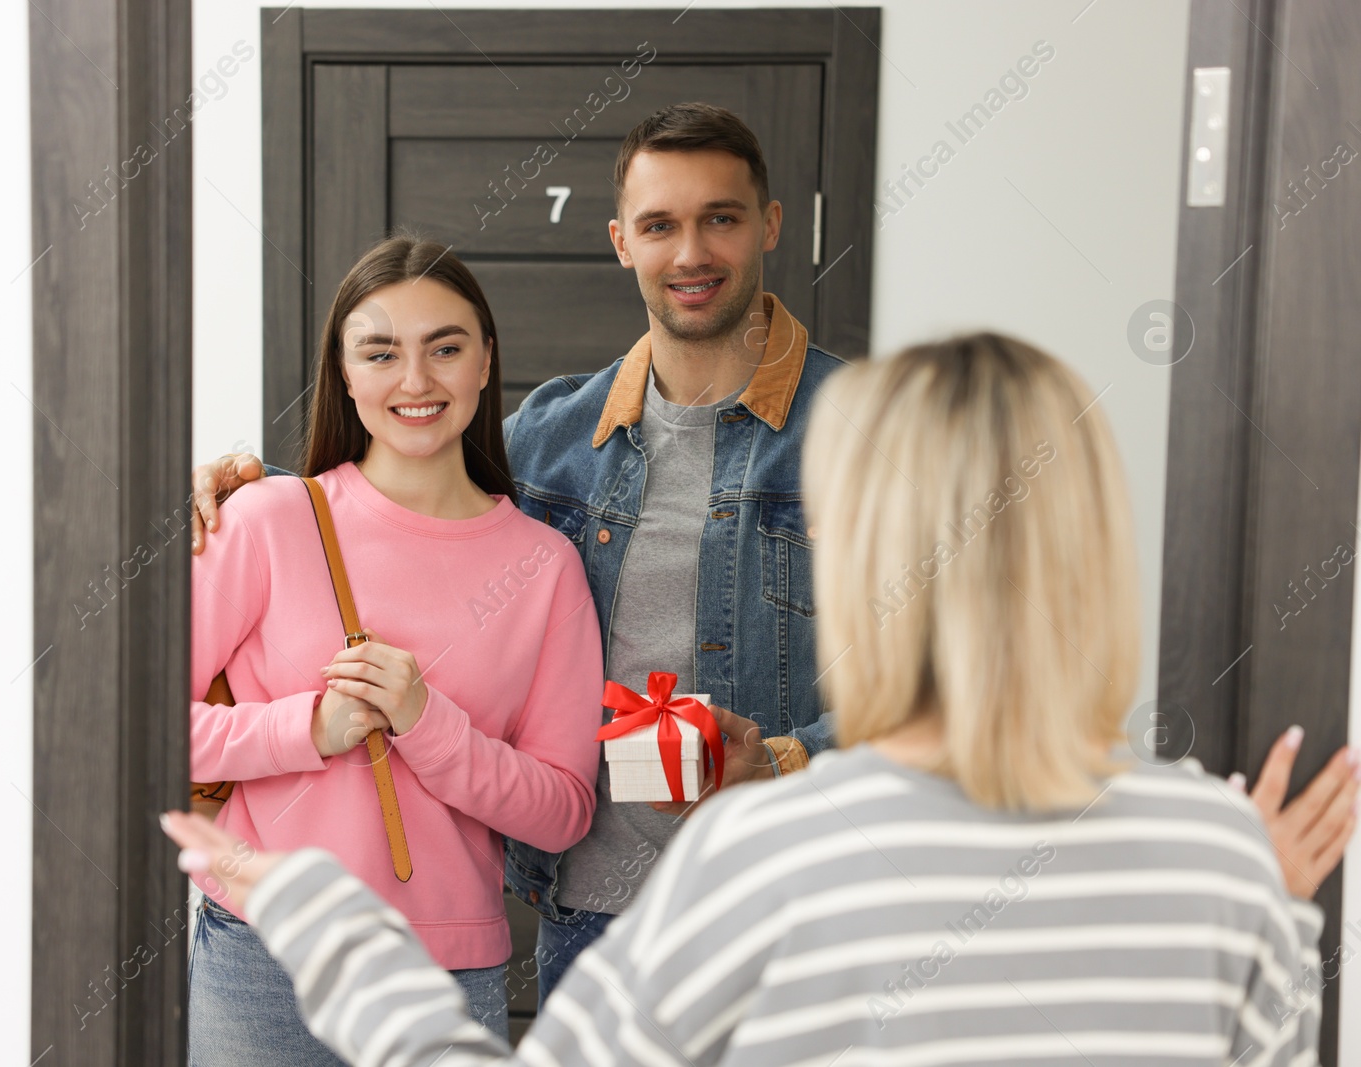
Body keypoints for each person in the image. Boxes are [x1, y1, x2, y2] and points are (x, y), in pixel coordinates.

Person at [188, 102, 1360, 1002]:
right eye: (659, 223)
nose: (689, 249)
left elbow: (974, 677)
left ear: (769, 227)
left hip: (796, 913)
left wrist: (791, 758)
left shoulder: (876, 432)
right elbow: (410, 520)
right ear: (620, 242)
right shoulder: (550, 438)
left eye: (719, 217)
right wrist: (242, 488)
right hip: (591, 919)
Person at [165, 331, 1347, 1066]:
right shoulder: (1214, 856)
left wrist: (327, 922)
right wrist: (1270, 911)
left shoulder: (772, 849)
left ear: (869, 546)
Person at [185, 235, 605, 1066]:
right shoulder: (268, 519)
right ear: (345, 373)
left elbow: (562, 810)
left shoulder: (544, 566)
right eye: (381, 353)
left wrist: (426, 722)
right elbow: (140, 736)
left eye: (444, 348)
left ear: (486, 362)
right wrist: (307, 727)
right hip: (263, 956)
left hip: (447, 978)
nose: (415, 381)